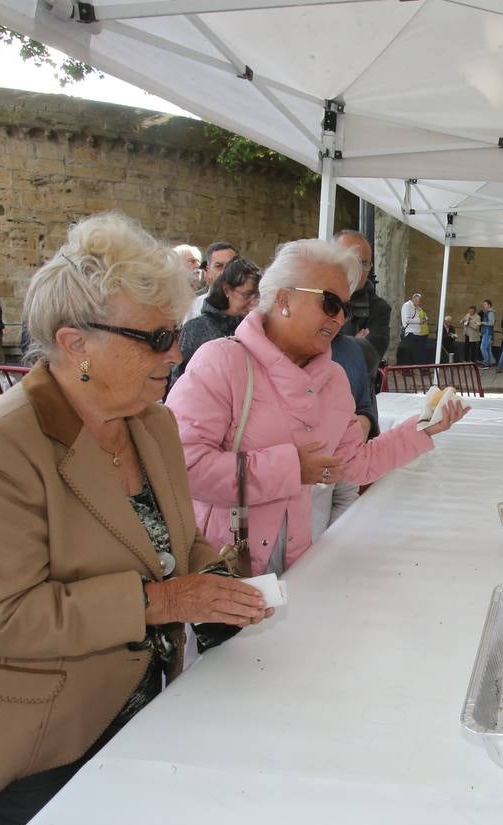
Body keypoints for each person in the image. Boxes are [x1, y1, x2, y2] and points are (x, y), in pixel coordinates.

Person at [0, 212, 270, 825]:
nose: (176, 352)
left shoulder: (151, 421)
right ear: (75, 343)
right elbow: (1, 619)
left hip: (132, 715)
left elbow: (176, 541)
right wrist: (166, 601)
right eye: (159, 336)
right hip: (29, 746)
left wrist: (219, 586)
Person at [167, 239, 468, 576]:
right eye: (329, 303)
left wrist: (426, 426)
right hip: (227, 566)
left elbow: (354, 463)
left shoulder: (334, 379)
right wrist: (291, 469)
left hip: (301, 564)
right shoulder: (222, 361)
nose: (340, 318)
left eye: (346, 307)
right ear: (283, 299)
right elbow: (182, 467)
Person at [176, 255, 261, 376]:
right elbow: (178, 378)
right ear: (226, 290)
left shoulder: (257, 329)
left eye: (257, 296)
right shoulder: (195, 329)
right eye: (247, 295)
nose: (253, 302)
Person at [335, 230, 392, 365]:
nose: (356, 270)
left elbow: (366, 363)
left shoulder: (378, 308)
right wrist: (352, 343)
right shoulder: (313, 294)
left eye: (363, 263)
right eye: (349, 260)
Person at [184, 241, 239, 321]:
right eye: (219, 266)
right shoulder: (193, 308)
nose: (225, 272)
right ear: (208, 270)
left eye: (231, 266)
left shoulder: (248, 307)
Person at [400, 291, 429, 364]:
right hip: (410, 333)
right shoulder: (407, 306)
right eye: (418, 301)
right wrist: (419, 321)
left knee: (417, 352)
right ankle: (406, 370)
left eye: (419, 301)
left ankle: (414, 368)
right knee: (409, 352)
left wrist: (425, 319)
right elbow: (406, 320)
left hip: (417, 333)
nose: (419, 303)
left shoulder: (417, 307)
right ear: (414, 300)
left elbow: (425, 316)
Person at [479, 299, 496, 367]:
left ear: (489, 305)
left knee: (483, 348)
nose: (484, 306)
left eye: (485, 304)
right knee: (488, 348)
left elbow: (491, 323)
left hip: (487, 332)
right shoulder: (487, 312)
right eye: (483, 304)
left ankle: (486, 363)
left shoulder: (490, 312)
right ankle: (490, 362)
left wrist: (481, 323)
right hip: (486, 332)